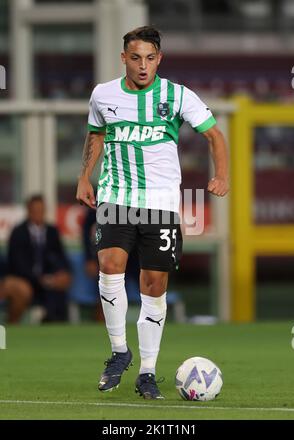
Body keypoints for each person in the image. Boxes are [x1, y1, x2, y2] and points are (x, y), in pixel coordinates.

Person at [76, 26, 229, 399]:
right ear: (124, 59)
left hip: (160, 203)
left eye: (149, 58)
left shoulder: (177, 96)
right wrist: (85, 178)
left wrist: (221, 174)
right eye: (135, 58)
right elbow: (96, 135)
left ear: (159, 59)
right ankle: (118, 352)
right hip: (116, 196)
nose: (142, 65)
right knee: (110, 264)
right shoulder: (103, 94)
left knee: (153, 286)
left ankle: (146, 371)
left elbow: (214, 135)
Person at [1, 194, 72, 323]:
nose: (38, 213)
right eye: (35, 210)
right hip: (26, 280)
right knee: (21, 290)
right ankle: (12, 326)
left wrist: (61, 273)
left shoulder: (52, 231)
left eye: (41, 210)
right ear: (28, 210)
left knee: (62, 285)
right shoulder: (18, 232)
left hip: (49, 280)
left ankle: (53, 326)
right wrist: (39, 278)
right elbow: (16, 264)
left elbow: (61, 257)